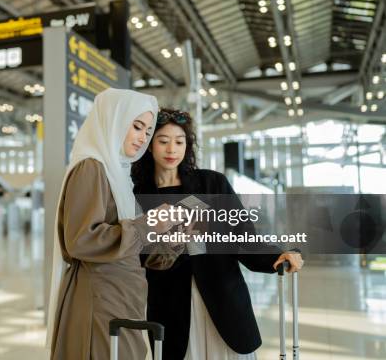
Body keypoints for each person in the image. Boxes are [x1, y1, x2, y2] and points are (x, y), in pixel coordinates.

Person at [131, 109, 303, 360]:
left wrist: (278, 255)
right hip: (170, 303)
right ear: (149, 145)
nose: (171, 150)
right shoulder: (137, 193)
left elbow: (242, 235)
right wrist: (168, 245)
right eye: (163, 141)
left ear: (187, 146)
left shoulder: (212, 184)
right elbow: (135, 253)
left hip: (223, 297)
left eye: (179, 142)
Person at [47, 88, 175, 360]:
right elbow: (81, 240)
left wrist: (171, 236)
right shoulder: (92, 168)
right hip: (100, 301)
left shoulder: (119, 175)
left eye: (148, 131)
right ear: (114, 121)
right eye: (137, 126)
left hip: (122, 298)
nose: (143, 138)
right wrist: (148, 225)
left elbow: (134, 246)